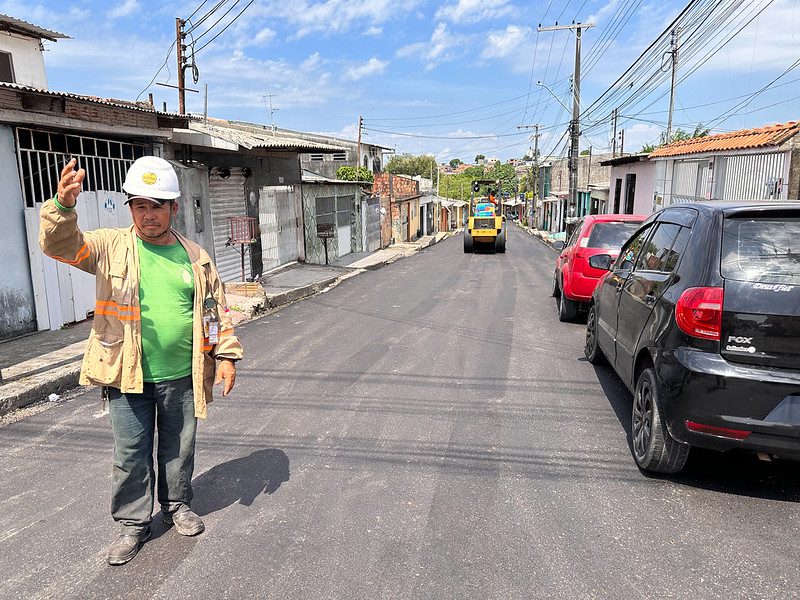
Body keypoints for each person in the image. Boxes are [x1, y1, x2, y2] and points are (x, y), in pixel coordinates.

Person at [39, 156, 243, 566]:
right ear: (130, 207)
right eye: (140, 206)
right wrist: (61, 208)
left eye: (157, 206)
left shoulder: (195, 257)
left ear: (174, 208)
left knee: (178, 447)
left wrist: (226, 354)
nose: (149, 215)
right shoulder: (109, 246)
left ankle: (177, 504)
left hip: (182, 375)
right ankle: (133, 524)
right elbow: (59, 245)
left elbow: (213, 311)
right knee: (130, 453)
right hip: (125, 373)